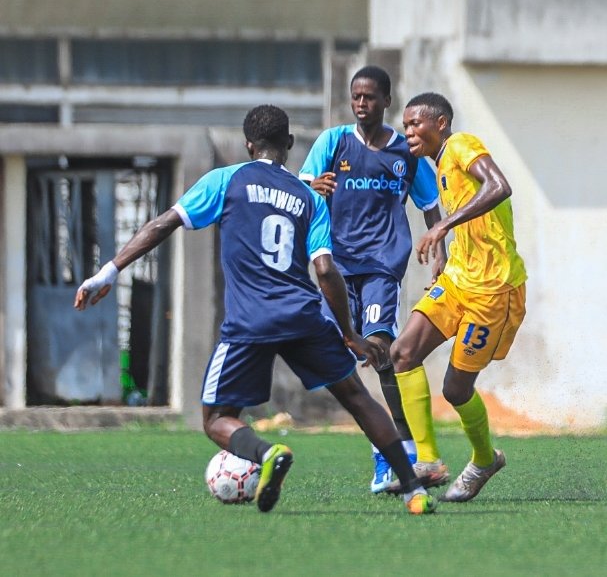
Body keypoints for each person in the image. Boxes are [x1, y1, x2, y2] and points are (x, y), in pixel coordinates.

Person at [74, 104, 436, 515]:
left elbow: (162, 224)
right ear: (289, 144)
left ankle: (267, 454)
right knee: (356, 397)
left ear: (248, 144)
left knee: (215, 418)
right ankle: (413, 490)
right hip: (304, 315)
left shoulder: (226, 181)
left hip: (250, 321)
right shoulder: (307, 195)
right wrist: (349, 334)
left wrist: (109, 271)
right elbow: (325, 270)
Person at [298, 65, 446, 494]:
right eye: (355, 97)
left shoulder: (406, 152)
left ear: (386, 100)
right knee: (337, 359)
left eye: (369, 97)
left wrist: (441, 251)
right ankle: (391, 448)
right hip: (337, 266)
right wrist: (316, 187)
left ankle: (399, 452)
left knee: (382, 348)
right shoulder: (333, 141)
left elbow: (430, 205)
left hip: (383, 265)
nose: (361, 104)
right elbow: (304, 187)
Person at [387, 92, 527, 502]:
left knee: (455, 389)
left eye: (416, 123)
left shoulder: (462, 144)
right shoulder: (437, 166)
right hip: (457, 280)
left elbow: (500, 186)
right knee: (402, 353)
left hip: (493, 289)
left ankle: (484, 459)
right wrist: (445, 256)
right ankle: (427, 461)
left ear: (441, 123)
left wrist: (442, 226)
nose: (408, 131)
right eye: (406, 125)